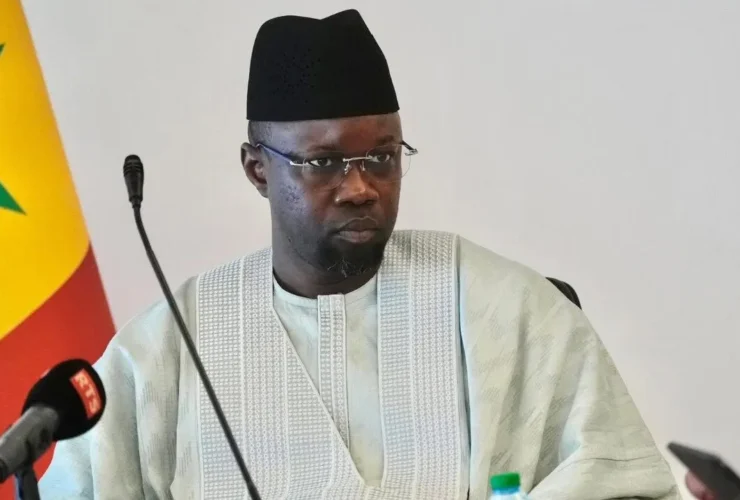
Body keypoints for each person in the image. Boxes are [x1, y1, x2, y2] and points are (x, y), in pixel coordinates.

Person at [39, 9, 680, 500]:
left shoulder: (505, 310)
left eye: (382, 156)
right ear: (258, 169)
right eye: (324, 163)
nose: (360, 187)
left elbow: (622, 485)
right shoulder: (168, 347)